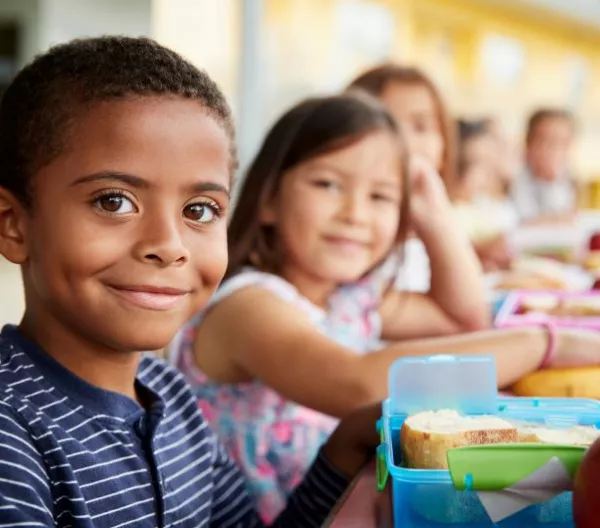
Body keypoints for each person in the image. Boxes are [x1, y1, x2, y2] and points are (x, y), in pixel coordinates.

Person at [0, 35, 384, 527]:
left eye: (199, 210)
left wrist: (344, 448)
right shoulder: (11, 432)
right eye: (114, 201)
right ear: (13, 224)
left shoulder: (171, 396)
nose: (170, 243)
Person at [170, 91, 600, 522]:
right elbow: (358, 384)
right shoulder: (247, 305)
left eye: (380, 196)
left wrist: (433, 212)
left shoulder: (348, 298)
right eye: (328, 184)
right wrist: (547, 341)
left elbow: (461, 316)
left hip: (344, 505)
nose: (355, 213)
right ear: (268, 199)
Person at [346, 64, 474, 293]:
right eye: (386, 123)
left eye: (421, 127)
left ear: (444, 149)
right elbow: (467, 318)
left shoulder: (426, 233)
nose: (404, 142)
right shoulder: (352, 232)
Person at [452, 119, 518, 271]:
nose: (488, 173)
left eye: (489, 162)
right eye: (478, 163)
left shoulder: (485, 206)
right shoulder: (449, 213)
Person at [511, 108, 578, 225]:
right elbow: (524, 221)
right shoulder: (517, 176)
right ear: (528, 143)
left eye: (562, 144)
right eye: (546, 142)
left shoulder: (565, 176)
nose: (554, 151)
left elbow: (569, 215)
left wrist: (553, 181)